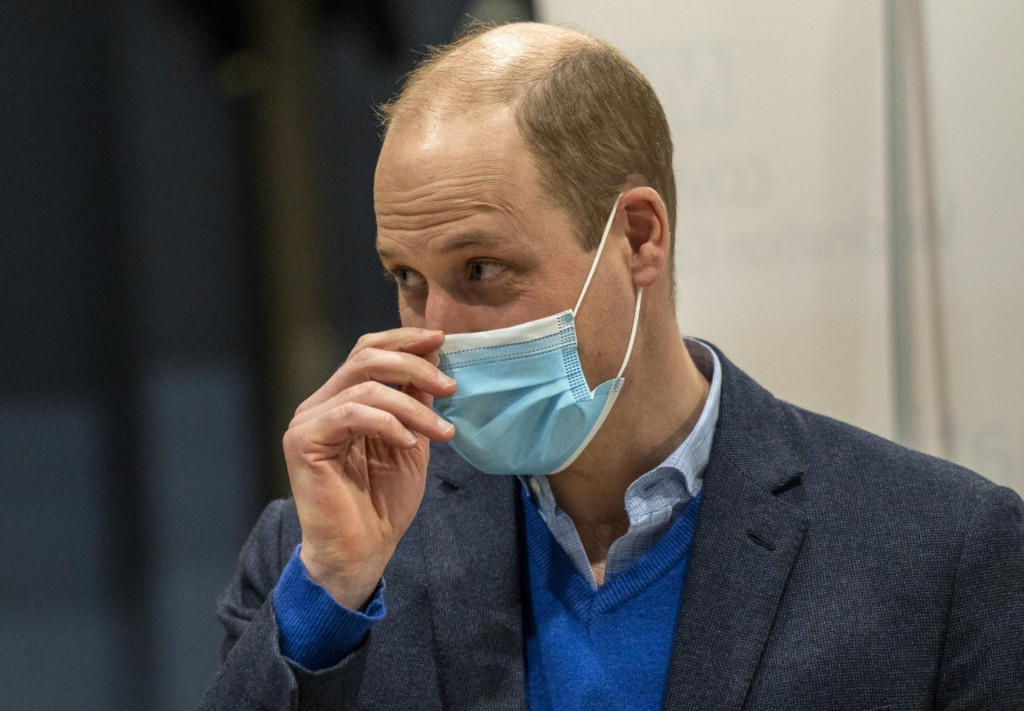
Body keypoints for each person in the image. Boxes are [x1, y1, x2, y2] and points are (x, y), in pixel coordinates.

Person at [201, 21, 1024, 710]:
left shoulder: (941, 552)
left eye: (482, 269)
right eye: (408, 279)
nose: (437, 332)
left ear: (638, 238)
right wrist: (329, 593)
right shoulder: (318, 556)